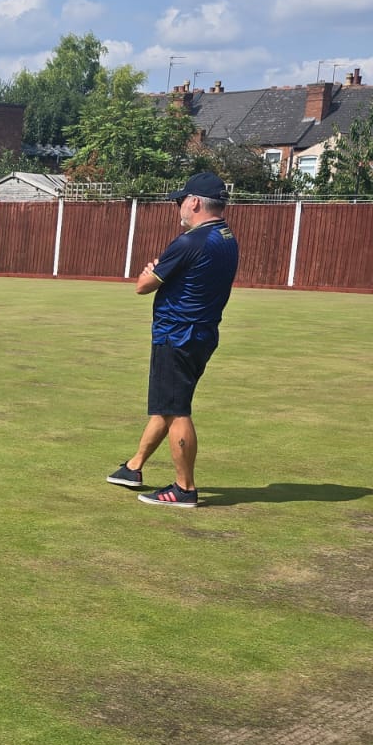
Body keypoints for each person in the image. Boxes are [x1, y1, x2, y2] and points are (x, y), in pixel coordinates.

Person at [106, 171, 239, 508]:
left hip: (177, 334)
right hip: (202, 333)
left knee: (176, 408)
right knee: (168, 403)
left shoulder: (190, 241)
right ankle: (134, 467)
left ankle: (184, 488)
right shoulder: (226, 236)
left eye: (182, 201)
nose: (179, 207)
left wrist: (152, 271)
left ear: (194, 202)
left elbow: (142, 285)